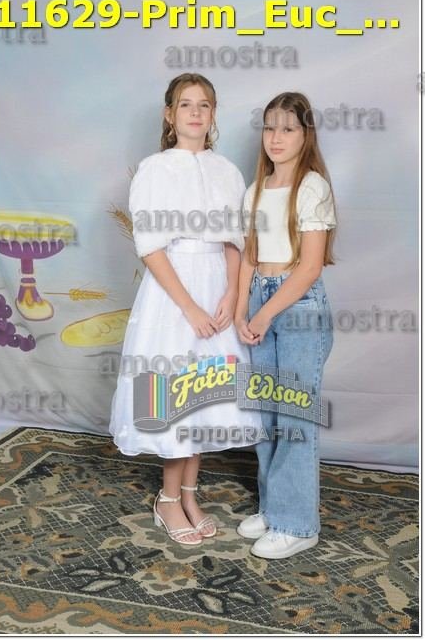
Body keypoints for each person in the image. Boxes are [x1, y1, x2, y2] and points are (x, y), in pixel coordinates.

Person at [109, 73, 262, 547]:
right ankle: (168, 500)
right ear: (169, 114)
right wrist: (190, 307)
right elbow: (151, 247)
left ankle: (190, 495)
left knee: (206, 398)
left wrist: (231, 294)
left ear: (213, 114)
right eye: (185, 104)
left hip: (217, 286)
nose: (195, 112)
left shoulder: (227, 171)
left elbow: (235, 241)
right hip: (174, 292)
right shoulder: (155, 169)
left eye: (204, 105)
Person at [234, 91, 337, 559]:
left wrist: (265, 312)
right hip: (259, 297)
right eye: (270, 127)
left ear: (304, 135)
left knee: (294, 413)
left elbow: (309, 267)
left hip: (297, 307)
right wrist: (242, 310)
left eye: (288, 129)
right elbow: (249, 256)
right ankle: (274, 507)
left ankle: (298, 524)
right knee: (265, 412)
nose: (276, 138)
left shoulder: (311, 187)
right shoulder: (254, 190)